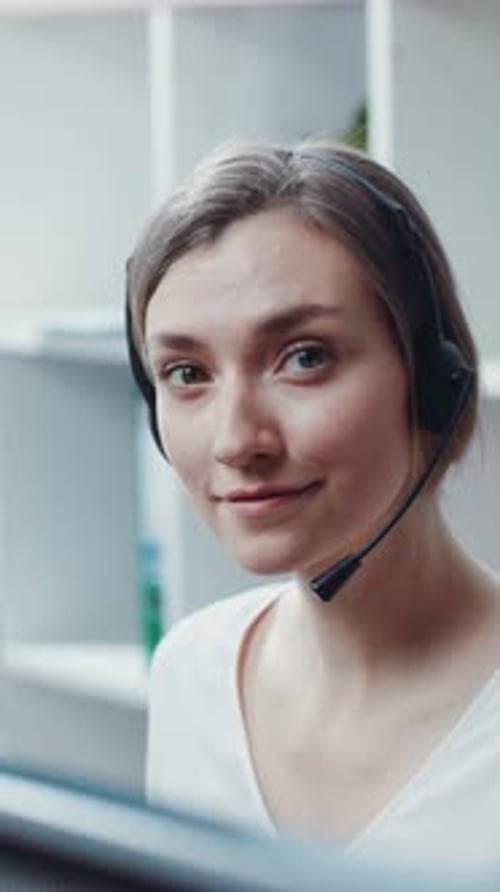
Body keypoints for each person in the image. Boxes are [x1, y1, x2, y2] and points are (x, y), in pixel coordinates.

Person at [125, 142, 500, 868]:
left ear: (434, 380)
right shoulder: (192, 676)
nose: (238, 440)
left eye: (304, 356)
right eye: (186, 373)